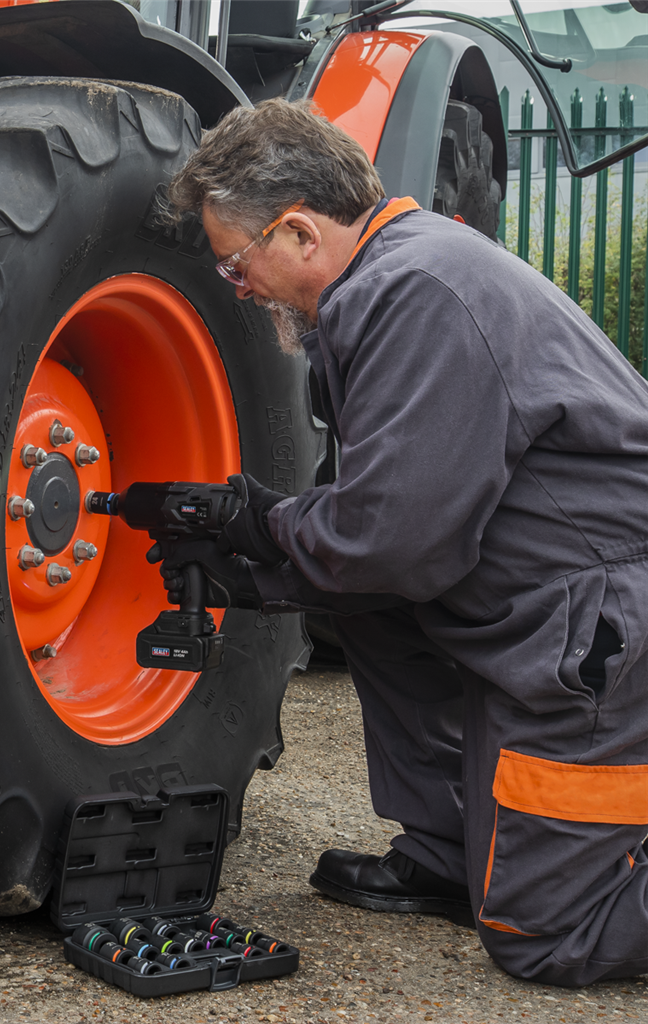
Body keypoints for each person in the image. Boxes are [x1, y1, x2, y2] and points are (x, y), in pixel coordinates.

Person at [157, 99, 648, 987]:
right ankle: (452, 848)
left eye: (237, 264)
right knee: (370, 605)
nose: (240, 286)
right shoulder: (393, 278)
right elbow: (385, 537)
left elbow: (390, 543)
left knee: (552, 934)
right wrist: (250, 575)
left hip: (595, 624)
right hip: (546, 597)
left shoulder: (415, 292)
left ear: (300, 231)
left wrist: (252, 522)